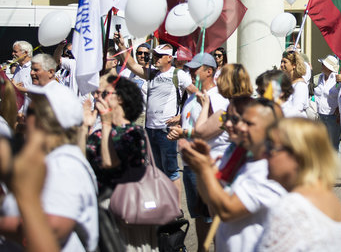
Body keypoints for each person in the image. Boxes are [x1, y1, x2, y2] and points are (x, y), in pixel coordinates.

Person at [0, 83, 99, 251]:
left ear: (46, 122)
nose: (22, 117)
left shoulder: (64, 165)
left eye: (30, 113)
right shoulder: (52, 160)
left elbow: (54, 229)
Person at [179, 99, 285, 252]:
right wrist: (204, 166)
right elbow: (211, 201)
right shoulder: (236, 157)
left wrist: (204, 169)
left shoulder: (269, 171)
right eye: (227, 118)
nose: (229, 124)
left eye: (237, 120)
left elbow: (226, 211)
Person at [115, 36, 197, 198]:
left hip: (166, 130)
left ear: (169, 58)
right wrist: (121, 46)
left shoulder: (178, 75)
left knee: (171, 170)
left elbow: (196, 96)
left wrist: (181, 116)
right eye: (155, 55)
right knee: (157, 170)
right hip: (150, 128)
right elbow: (131, 65)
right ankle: (163, 206)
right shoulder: (151, 73)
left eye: (159, 56)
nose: (156, 59)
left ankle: (175, 209)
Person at [82, 75, 155, 250]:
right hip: (102, 211)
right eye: (97, 94)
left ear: (120, 98)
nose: (97, 98)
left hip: (126, 212)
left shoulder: (134, 132)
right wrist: (85, 127)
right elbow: (80, 159)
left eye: (104, 93)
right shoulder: (97, 134)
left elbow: (109, 163)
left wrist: (106, 126)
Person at [256, 118, 341, 251]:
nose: (263, 154)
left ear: (298, 155)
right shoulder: (328, 197)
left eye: (271, 148)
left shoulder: (291, 207)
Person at [167, 53, 229, 252]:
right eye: (191, 68)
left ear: (209, 71)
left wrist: (185, 133)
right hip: (191, 165)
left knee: (214, 217)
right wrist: (180, 129)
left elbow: (218, 126)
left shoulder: (217, 97)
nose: (191, 72)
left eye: (196, 69)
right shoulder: (194, 96)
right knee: (200, 216)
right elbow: (190, 122)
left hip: (207, 165)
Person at [314, 54, 340, 149]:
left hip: (333, 115)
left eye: (323, 64)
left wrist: (339, 109)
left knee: (333, 145)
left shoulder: (337, 79)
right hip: (320, 114)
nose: (321, 66)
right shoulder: (321, 77)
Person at [279, 50, 309, 118]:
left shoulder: (300, 85)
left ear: (294, 65)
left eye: (285, 62)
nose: (281, 65)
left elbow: (297, 109)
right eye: (281, 62)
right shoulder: (286, 83)